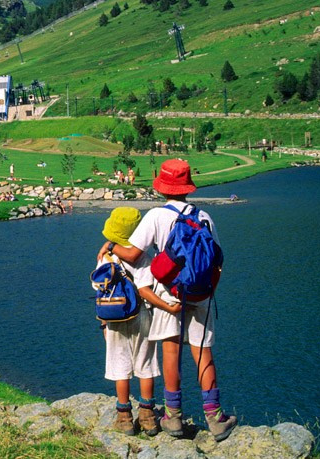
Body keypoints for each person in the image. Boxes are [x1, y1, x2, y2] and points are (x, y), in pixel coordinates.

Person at [101, 159, 238, 441]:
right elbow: (218, 262)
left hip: (167, 293)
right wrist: (207, 291)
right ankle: (215, 417)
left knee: (170, 353)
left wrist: (112, 245)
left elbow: (133, 255)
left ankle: (172, 417)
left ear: (163, 188)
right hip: (201, 294)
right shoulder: (204, 217)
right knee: (203, 352)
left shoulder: (155, 216)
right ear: (187, 188)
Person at [95, 207, 181, 436]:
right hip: (142, 315)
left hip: (114, 317)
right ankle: (148, 416)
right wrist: (167, 307)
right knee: (145, 364)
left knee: (119, 366)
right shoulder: (144, 257)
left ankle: (124, 417)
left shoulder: (105, 256)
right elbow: (144, 290)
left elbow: (98, 288)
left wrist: (103, 323)